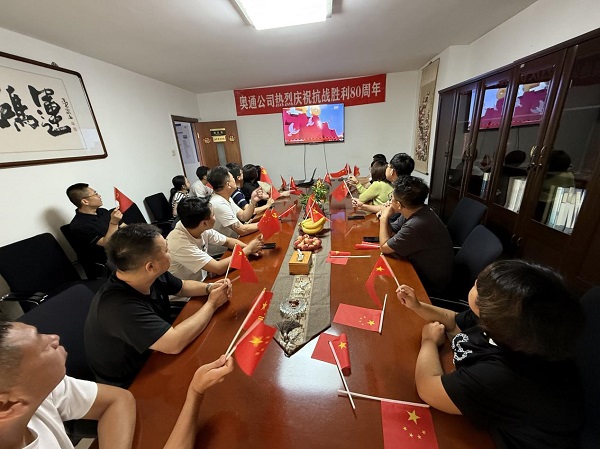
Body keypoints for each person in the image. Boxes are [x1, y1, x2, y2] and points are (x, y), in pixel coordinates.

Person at [395, 260, 584, 449]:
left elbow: (428, 388)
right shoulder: (510, 324)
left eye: (477, 286)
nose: (476, 283)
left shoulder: (506, 373)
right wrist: (418, 306)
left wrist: (429, 341)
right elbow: (453, 321)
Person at [0, 320, 233, 449]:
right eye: (41, 345)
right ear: (8, 406)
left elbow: (117, 400)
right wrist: (195, 393)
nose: (54, 337)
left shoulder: (36, 390)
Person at [84, 224, 231, 387]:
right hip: (135, 380)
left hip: (158, 349)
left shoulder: (142, 274)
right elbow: (174, 343)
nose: (170, 251)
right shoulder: (118, 308)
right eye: (166, 249)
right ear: (150, 266)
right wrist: (212, 304)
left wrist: (210, 288)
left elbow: (181, 287)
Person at [379, 176, 453, 294]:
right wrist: (387, 218)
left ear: (399, 205)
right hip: (419, 267)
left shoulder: (416, 224)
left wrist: (383, 218)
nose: (390, 201)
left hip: (430, 283)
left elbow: (384, 247)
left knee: (383, 286)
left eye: (391, 198)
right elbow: (392, 231)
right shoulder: (416, 210)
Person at [167, 197, 264, 282]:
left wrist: (250, 249)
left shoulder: (195, 225)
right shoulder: (179, 243)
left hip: (205, 277)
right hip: (190, 291)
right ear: (204, 223)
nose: (215, 218)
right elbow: (218, 268)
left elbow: (228, 241)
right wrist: (248, 249)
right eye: (213, 215)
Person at [66, 183, 123, 278]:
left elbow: (124, 226)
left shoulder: (102, 211)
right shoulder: (78, 226)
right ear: (85, 201)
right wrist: (113, 223)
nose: (99, 196)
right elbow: (107, 243)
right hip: (107, 260)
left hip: (122, 248)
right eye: (95, 193)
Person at [207, 166, 262, 256]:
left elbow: (243, 216)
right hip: (223, 252)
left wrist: (252, 202)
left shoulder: (226, 197)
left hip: (234, 243)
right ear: (228, 184)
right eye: (232, 177)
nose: (235, 179)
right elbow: (242, 230)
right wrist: (264, 224)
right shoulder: (218, 203)